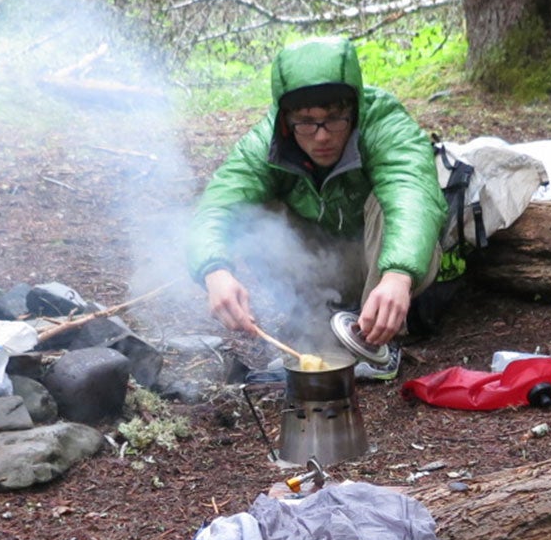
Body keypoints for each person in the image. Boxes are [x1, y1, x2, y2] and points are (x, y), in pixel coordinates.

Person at [186, 36, 446, 351]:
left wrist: (398, 275)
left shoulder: (383, 123)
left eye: (334, 119)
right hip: (324, 265)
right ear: (286, 121)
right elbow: (217, 206)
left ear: (354, 109)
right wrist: (214, 270)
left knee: (385, 202)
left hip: (382, 268)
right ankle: (314, 319)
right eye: (306, 123)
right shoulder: (265, 142)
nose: (322, 136)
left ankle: (375, 342)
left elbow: (412, 194)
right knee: (257, 213)